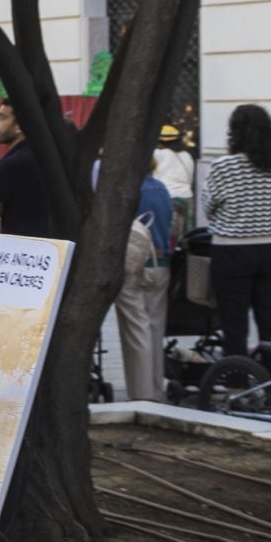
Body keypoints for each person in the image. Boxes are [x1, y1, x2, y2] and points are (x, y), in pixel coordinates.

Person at [206, 103, 271, 376]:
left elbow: (209, 206)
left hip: (232, 251)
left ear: (235, 132)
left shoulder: (224, 166)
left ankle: (237, 383)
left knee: (234, 324)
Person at [113, 157, 174, 402]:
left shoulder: (126, 192)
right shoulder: (162, 189)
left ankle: (142, 395)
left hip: (132, 266)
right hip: (161, 264)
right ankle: (157, 389)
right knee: (155, 328)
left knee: (136, 329)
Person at [0, 102, 50, 238]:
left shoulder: (16, 162)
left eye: (2, 117)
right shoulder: (41, 155)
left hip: (21, 243)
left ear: (19, 126)